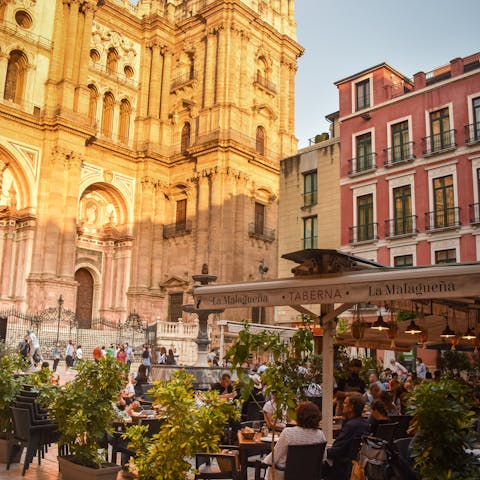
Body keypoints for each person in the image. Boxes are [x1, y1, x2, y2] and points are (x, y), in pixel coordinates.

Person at [262, 402, 326, 480]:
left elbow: (273, 458)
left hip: (286, 475)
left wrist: (264, 461)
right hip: (310, 475)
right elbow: (323, 458)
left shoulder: (289, 433)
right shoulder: (320, 434)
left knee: (270, 467)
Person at [324, 392, 370, 479]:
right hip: (355, 465)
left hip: (342, 468)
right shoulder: (365, 424)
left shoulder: (350, 426)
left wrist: (321, 452)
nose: (343, 405)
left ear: (351, 408)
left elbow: (336, 451)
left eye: (345, 403)